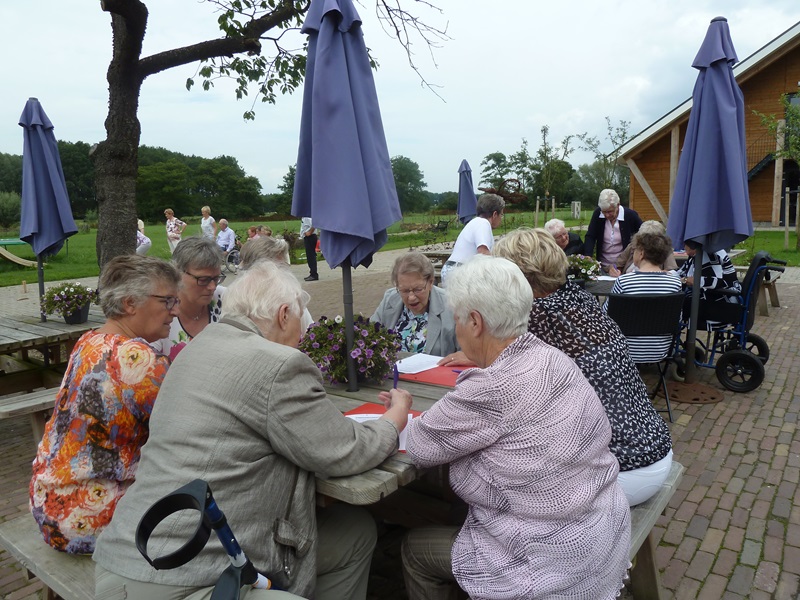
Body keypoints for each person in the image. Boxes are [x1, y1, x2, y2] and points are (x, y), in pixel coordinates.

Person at [93, 261, 411, 600]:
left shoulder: (198, 346)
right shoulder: (278, 363)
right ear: (284, 314)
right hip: (188, 575)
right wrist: (394, 418)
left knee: (354, 530)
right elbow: (346, 451)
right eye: (300, 324)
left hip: (129, 548)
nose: (302, 337)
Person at [395, 256, 630, 599]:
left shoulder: (491, 387)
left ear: (475, 322)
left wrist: (401, 409)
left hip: (552, 559)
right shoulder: (551, 356)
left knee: (415, 549)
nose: (457, 328)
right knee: (456, 504)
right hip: (601, 524)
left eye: (458, 319)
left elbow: (419, 445)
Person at [30, 255, 181, 554]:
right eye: (167, 301)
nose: (175, 311)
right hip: (89, 519)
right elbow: (190, 424)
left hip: (48, 503)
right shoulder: (139, 360)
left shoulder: (88, 340)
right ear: (129, 304)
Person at [604, 232, 682, 362]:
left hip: (625, 350)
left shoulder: (624, 281)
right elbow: (677, 318)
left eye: (634, 250)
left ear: (641, 254)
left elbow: (607, 315)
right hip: (660, 350)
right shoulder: (674, 283)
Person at [151, 236, 225, 360]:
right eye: (203, 280)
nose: (212, 287)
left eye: (216, 278)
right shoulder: (159, 311)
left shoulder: (226, 299)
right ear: (177, 273)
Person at [370, 252, 458, 355]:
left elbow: (466, 353)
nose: (411, 297)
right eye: (405, 290)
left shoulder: (451, 305)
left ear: (430, 282)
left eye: (418, 289)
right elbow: (370, 335)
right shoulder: (390, 299)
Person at [240, 235, 313, 332]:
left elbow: (310, 332)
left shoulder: (291, 300)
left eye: (284, 268)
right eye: (277, 269)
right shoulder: (239, 308)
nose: (284, 275)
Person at [440, 193, 504, 284]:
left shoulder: (474, 222)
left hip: (453, 269)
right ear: (494, 214)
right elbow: (483, 252)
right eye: (501, 215)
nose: (501, 218)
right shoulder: (483, 223)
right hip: (459, 271)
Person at [583, 188, 643, 273]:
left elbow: (643, 236)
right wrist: (588, 255)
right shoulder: (598, 214)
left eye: (610, 211)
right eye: (604, 212)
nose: (607, 215)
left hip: (624, 266)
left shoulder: (630, 215)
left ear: (618, 205)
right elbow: (591, 236)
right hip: (602, 265)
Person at [677, 239, 741, 302]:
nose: (684, 247)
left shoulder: (709, 255)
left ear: (692, 244)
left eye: (685, 244)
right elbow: (682, 272)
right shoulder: (697, 255)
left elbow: (715, 281)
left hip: (723, 300)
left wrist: (691, 280)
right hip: (711, 296)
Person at [613, 219, 678, 275]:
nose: (645, 243)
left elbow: (672, 271)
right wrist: (614, 270)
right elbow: (617, 264)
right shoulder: (633, 246)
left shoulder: (665, 250)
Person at [300, 217, 318, 281]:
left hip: (310, 237)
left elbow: (314, 224)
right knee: (310, 256)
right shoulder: (305, 217)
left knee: (311, 256)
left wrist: (309, 232)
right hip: (308, 237)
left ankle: (314, 274)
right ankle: (312, 272)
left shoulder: (307, 217)